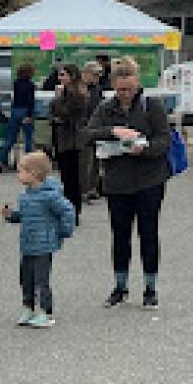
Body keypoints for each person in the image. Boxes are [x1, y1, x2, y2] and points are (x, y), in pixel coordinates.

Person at [85, 57, 171, 308]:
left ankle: (150, 287)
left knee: (149, 233)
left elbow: (164, 140)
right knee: (120, 235)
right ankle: (120, 286)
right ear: (112, 85)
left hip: (149, 179)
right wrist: (113, 132)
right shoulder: (105, 107)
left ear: (137, 84)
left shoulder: (151, 106)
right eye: (121, 90)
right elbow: (87, 134)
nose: (125, 95)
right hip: (117, 180)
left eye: (130, 89)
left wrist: (143, 149)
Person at [1, 151, 75, 328]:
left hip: (44, 245)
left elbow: (67, 211)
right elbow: (24, 216)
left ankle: (45, 312)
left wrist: (64, 231)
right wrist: (11, 216)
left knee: (41, 280)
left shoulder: (50, 196)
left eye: (21, 171)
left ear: (33, 173)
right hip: (27, 244)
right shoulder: (26, 196)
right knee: (26, 278)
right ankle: (28, 307)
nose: (18, 175)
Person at [49, 64, 89, 225]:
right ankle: (69, 210)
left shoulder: (76, 94)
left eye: (63, 75)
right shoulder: (69, 93)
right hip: (63, 138)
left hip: (72, 140)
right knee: (67, 178)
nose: (60, 78)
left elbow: (66, 113)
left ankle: (73, 211)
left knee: (72, 179)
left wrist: (58, 100)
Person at [2, 62, 37, 165]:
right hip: (25, 110)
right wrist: (29, 115)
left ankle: (3, 159)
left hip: (15, 110)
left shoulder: (16, 83)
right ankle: (28, 161)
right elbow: (30, 101)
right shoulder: (31, 85)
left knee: (11, 137)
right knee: (28, 138)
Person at [81, 61, 105, 203]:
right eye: (95, 74)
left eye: (99, 74)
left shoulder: (97, 89)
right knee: (85, 162)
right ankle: (83, 190)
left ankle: (93, 188)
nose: (98, 76)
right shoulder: (81, 89)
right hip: (84, 128)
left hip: (97, 127)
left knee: (96, 159)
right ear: (86, 74)